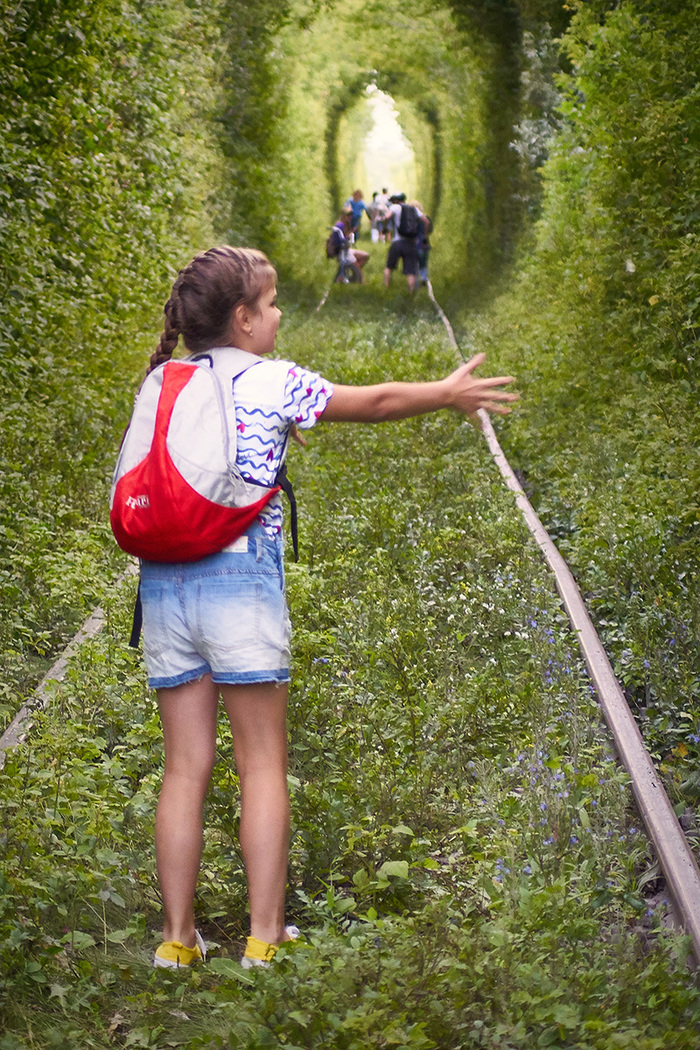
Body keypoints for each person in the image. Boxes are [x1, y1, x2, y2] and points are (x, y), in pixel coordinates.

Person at [141, 245, 517, 970]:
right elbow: (373, 404)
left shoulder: (164, 379)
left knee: (184, 767)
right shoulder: (274, 379)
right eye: (271, 302)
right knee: (261, 763)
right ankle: (263, 938)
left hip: (164, 584)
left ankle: (177, 940)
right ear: (244, 318)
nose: (279, 313)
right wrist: (446, 392)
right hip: (239, 581)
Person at [383, 193, 422, 293]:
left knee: (389, 267)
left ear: (395, 200)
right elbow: (425, 221)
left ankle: (386, 289)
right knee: (411, 272)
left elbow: (387, 217)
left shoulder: (395, 207)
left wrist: (385, 227)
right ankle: (411, 293)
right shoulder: (414, 209)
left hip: (397, 242)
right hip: (410, 243)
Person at [330, 211, 369, 281]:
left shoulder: (347, 224)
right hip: (342, 251)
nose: (350, 217)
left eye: (350, 216)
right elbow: (338, 240)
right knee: (356, 266)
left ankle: (351, 274)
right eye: (348, 216)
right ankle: (360, 281)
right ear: (344, 216)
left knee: (365, 256)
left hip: (347, 249)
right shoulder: (340, 225)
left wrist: (351, 232)